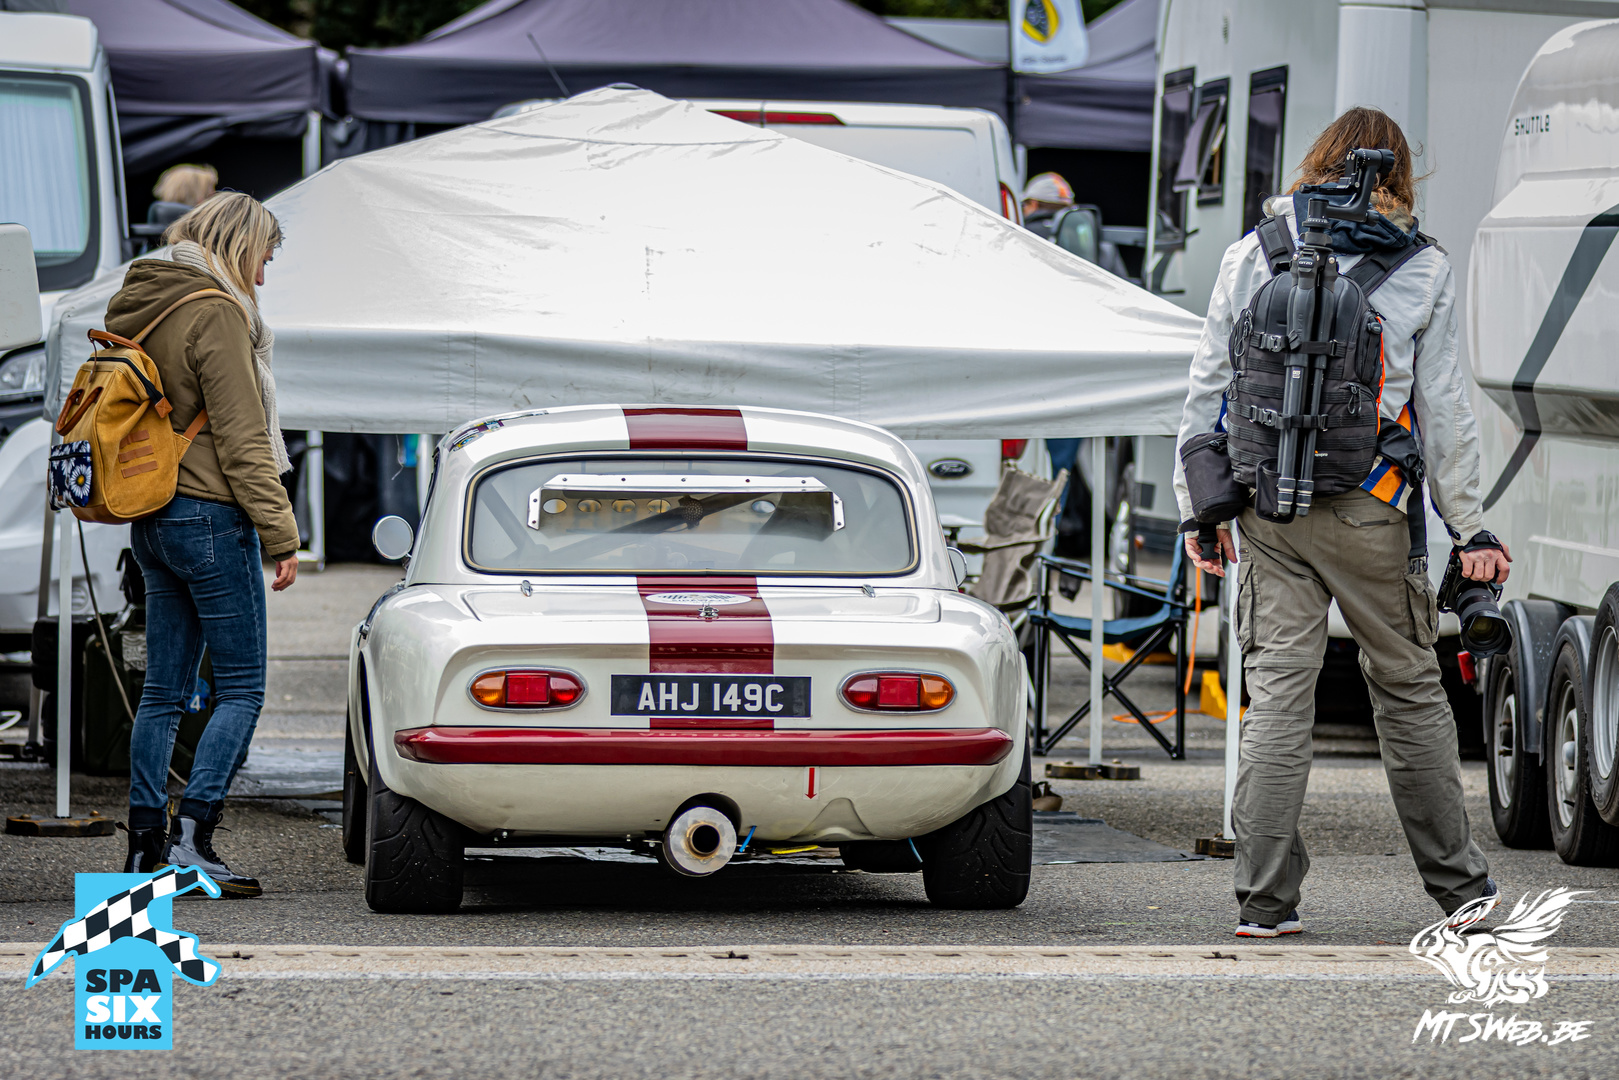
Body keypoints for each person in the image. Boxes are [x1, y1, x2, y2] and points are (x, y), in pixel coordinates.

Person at [1172, 108, 1512, 937]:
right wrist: (1469, 528)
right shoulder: (1422, 266)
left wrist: (1196, 512)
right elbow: (1445, 410)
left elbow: (1206, 386)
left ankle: (1263, 902)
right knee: (1408, 692)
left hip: (1266, 507)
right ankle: (1460, 893)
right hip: (1372, 507)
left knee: (1276, 699)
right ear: (1398, 176)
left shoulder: (1251, 252)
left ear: (1313, 163)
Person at [110, 192, 300, 897]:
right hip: (211, 518)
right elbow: (244, 440)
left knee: (163, 692)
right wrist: (282, 534)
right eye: (263, 258)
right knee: (242, 688)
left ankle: (143, 848)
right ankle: (191, 842)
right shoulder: (215, 311)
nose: (263, 275)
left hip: (153, 515)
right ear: (239, 245)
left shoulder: (142, 300)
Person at [147, 163, 218, 232]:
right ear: (198, 198)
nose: (215, 198)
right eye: (208, 195)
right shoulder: (204, 233)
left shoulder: (151, 233)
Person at [1021, 172, 1074, 240]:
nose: (1023, 210)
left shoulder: (1025, 232)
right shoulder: (1077, 231)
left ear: (1033, 204)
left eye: (1024, 205)